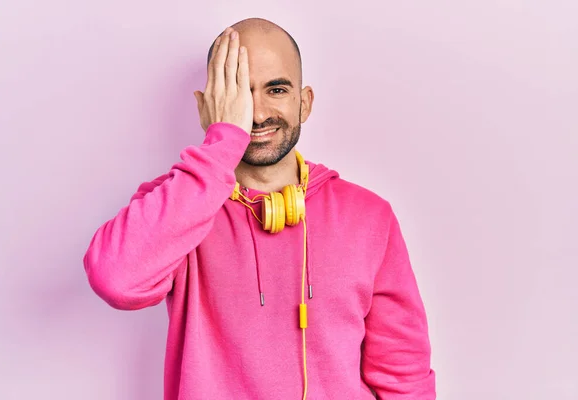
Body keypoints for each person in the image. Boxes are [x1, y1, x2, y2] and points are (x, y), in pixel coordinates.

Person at [83, 17, 436, 400]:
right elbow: (115, 280)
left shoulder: (370, 216)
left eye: (277, 89)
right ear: (208, 109)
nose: (258, 114)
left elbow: (405, 377)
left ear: (305, 103)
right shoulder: (177, 204)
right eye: (240, 94)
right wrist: (221, 144)